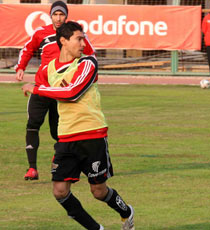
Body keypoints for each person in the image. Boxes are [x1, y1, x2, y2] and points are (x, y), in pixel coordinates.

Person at [21, 21, 134, 230]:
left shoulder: (88, 63)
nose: (84, 43)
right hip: (66, 137)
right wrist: (33, 121)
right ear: (63, 41)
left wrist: (38, 89)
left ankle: (126, 212)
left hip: (92, 135)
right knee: (59, 191)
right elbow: (41, 95)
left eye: (84, 38)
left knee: (99, 191)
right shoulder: (48, 69)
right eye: (79, 38)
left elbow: (72, 92)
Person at [16, 0, 94, 180]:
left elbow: (90, 53)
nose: (58, 18)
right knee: (33, 124)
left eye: (62, 14)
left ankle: (59, 162)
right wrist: (21, 67)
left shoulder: (74, 34)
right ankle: (32, 168)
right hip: (41, 86)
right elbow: (28, 49)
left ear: (67, 16)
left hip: (60, 90)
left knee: (58, 131)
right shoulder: (41, 33)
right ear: (50, 15)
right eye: (55, 14)